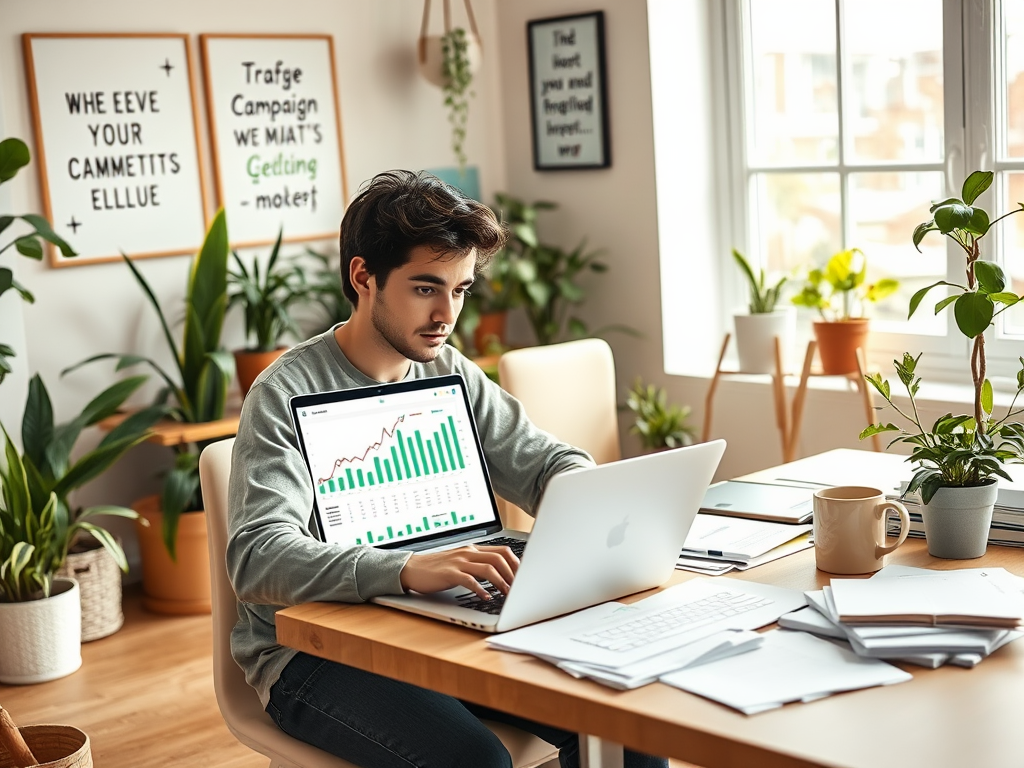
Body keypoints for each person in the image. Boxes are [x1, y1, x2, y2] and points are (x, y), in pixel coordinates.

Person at [226, 170, 669, 768]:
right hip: (315, 652)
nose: (447, 314)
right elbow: (257, 557)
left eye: (461, 290)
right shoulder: (286, 390)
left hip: (448, 613)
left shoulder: (449, 370)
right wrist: (408, 569)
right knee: (474, 760)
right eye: (426, 288)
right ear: (364, 277)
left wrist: (581, 492)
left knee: (629, 724)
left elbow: (543, 462)